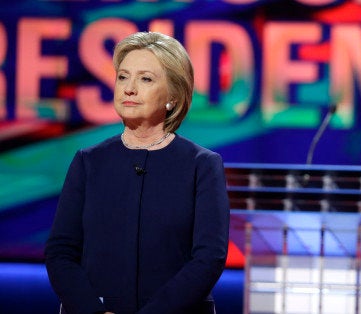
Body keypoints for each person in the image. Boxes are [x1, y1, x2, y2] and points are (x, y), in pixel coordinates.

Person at [45, 32, 230, 314]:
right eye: (123, 77)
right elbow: (61, 252)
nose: (129, 88)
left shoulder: (201, 165)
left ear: (173, 95)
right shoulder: (89, 162)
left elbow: (209, 258)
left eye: (145, 79)